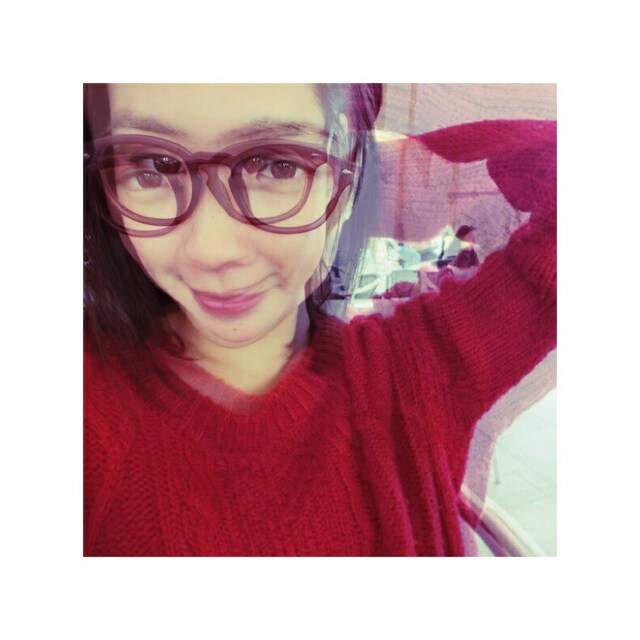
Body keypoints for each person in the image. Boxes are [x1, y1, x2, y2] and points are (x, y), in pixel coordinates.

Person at [84, 83, 556, 556]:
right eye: (153, 166)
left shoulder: (419, 372)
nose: (212, 250)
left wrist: (366, 97)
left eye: (276, 164)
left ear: (343, 178)